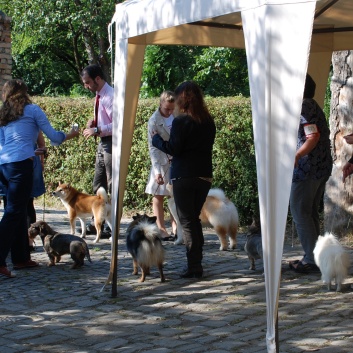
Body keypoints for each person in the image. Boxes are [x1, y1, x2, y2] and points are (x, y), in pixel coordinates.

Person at [0, 79, 79, 278]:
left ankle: (20, 258)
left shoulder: (3, 114)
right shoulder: (33, 110)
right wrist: (71, 134)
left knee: (17, 210)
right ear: (24, 93)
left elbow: (5, 144)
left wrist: (31, 151)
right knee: (12, 213)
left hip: (4, 166)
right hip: (20, 167)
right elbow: (54, 137)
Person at [152, 81, 216, 278]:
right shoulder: (208, 120)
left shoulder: (181, 122)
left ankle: (194, 266)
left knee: (187, 221)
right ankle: (197, 261)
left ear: (182, 99)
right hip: (204, 175)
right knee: (193, 219)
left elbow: (174, 148)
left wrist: (157, 141)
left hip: (184, 176)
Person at [289, 74, 333, 274]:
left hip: (308, 169)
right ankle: (316, 256)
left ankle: (311, 259)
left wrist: (297, 155)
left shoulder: (304, 106)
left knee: (301, 213)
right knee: (310, 212)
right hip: (320, 167)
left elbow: (312, 136)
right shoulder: (312, 104)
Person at [81, 64, 113, 236]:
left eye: (87, 82)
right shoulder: (99, 95)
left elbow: (118, 124)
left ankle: (110, 225)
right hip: (103, 142)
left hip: (111, 142)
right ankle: (97, 222)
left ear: (98, 79)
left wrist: (97, 129)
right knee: (98, 184)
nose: (86, 86)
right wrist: (94, 123)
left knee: (111, 183)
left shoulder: (110, 96)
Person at [145, 91, 177, 240]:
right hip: (161, 161)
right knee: (159, 194)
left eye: (171, 109)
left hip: (176, 159)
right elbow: (153, 147)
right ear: (160, 104)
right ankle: (161, 228)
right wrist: (157, 170)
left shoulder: (176, 114)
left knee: (174, 194)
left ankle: (176, 226)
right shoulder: (153, 121)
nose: (169, 112)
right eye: (166, 109)